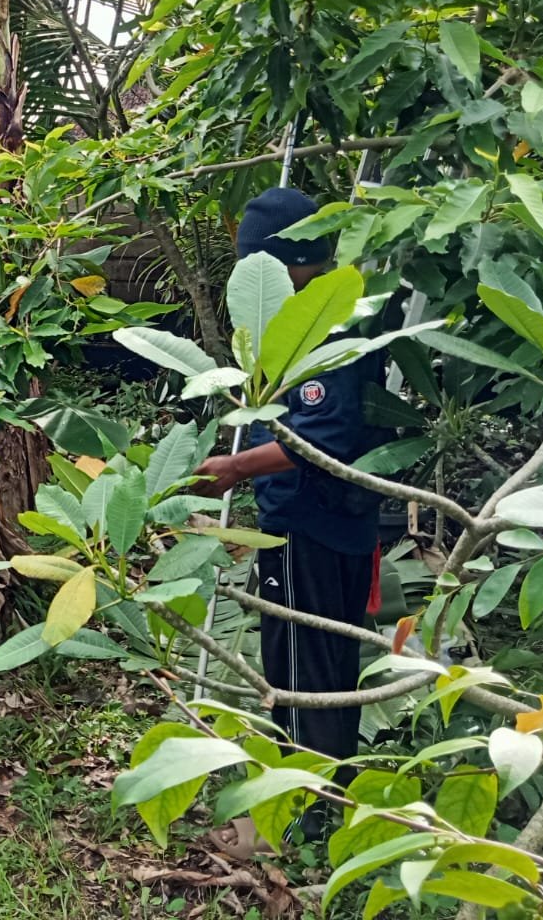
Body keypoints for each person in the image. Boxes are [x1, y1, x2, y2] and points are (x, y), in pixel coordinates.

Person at [194, 187, 391, 838]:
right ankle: (325, 798)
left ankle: (304, 816)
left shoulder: (323, 329)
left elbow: (320, 440)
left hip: (311, 524)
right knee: (326, 661)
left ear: (291, 264)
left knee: (305, 667)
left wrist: (236, 468)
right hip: (332, 520)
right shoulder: (327, 314)